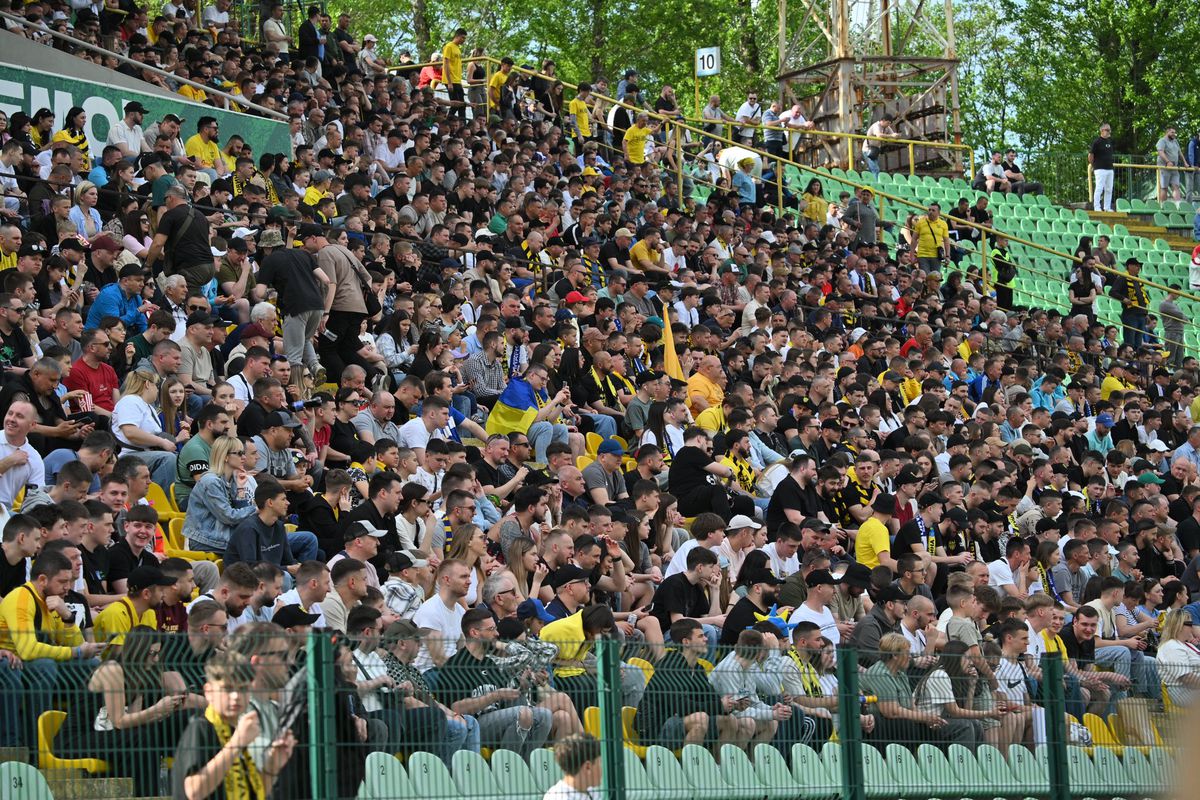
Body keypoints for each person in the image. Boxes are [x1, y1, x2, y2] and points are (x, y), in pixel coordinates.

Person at [172, 650, 296, 800]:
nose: (236, 696)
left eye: (243, 688)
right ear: (209, 691)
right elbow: (194, 791)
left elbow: (253, 794)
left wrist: (273, 766)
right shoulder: (201, 727)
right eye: (228, 689)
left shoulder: (238, 731)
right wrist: (237, 743)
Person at [435, 607, 553, 756]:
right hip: (475, 727)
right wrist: (494, 696)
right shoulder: (455, 666)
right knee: (522, 713)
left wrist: (523, 684)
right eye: (491, 629)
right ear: (474, 633)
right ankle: (508, 769)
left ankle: (525, 764)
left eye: (495, 628)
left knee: (545, 715)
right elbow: (456, 708)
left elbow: (508, 697)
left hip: (500, 720)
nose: (496, 634)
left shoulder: (491, 663)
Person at [543, 733, 602, 800]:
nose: (602, 769)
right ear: (587, 767)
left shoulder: (594, 791)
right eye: (600, 763)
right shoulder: (557, 797)